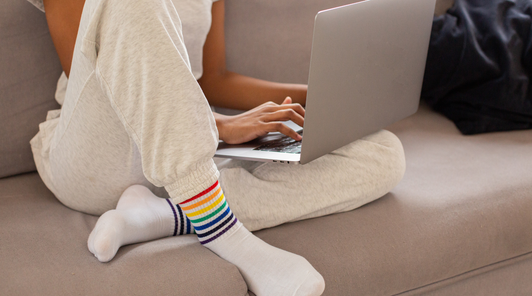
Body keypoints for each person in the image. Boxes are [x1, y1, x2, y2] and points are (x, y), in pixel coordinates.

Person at [28, 0, 406, 294]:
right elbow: (101, 76)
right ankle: (223, 231)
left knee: (382, 152)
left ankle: (163, 214)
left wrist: (323, 97)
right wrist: (220, 125)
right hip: (100, 151)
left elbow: (212, 79)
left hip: (186, 152)